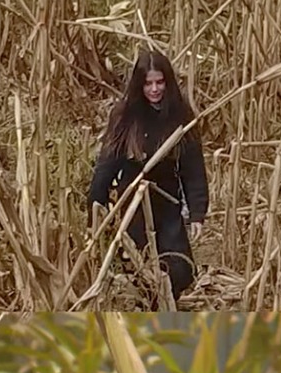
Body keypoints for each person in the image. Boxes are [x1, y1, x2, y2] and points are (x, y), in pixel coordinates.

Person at [87, 48, 209, 306]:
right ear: (139, 85)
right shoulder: (125, 115)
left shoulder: (181, 114)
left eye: (159, 82)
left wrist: (197, 211)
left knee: (179, 268)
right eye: (148, 84)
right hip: (134, 201)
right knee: (138, 267)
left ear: (168, 82)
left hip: (167, 200)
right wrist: (96, 206)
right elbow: (108, 163)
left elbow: (193, 167)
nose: (154, 89)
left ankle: (167, 305)